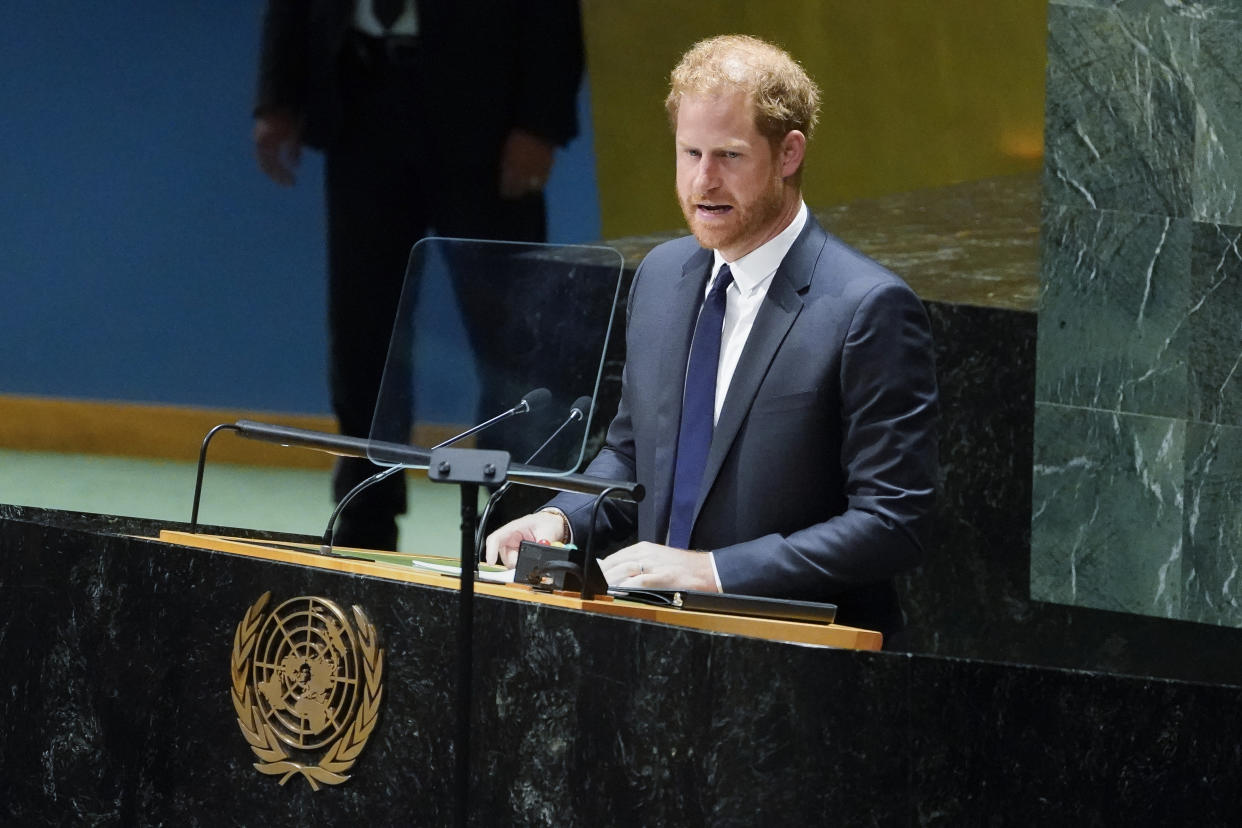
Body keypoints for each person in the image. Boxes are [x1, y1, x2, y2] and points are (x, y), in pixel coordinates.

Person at [485, 34, 939, 637]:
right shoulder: (662, 278)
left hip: (801, 657)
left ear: (789, 154)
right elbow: (632, 453)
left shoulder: (867, 308)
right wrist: (561, 520)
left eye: (728, 155)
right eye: (689, 152)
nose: (704, 181)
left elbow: (894, 522)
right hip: (652, 646)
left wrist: (716, 572)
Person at [252, 1, 584, 550]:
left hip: (486, 107)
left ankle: (514, 521)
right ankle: (365, 518)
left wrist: (540, 123)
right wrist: (277, 96)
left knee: (511, 339)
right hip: (359, 99)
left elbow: (551, 11)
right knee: (363, 335)